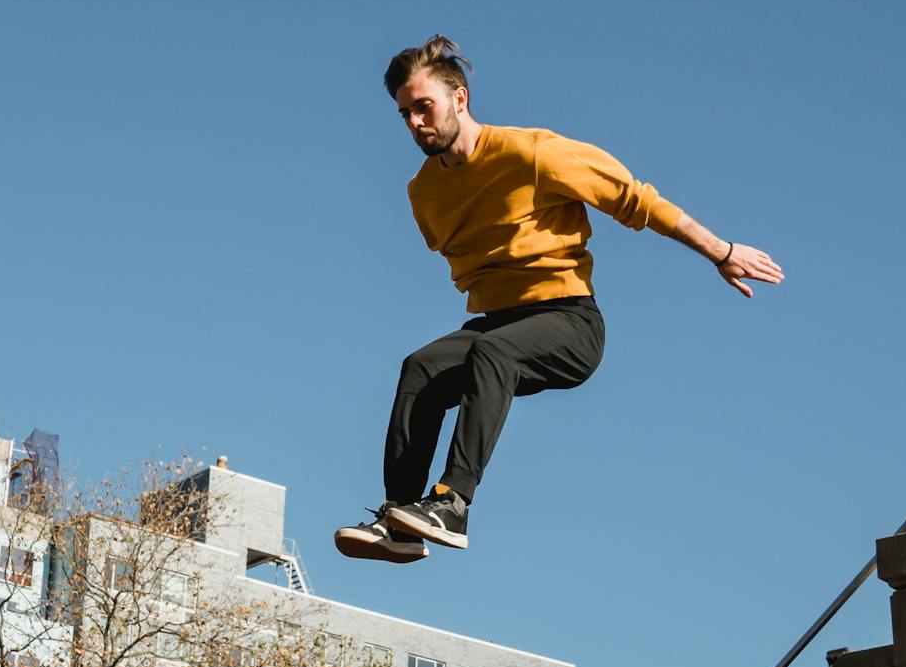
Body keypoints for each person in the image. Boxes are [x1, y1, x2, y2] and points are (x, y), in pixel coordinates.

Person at [335, 36, 783, 562]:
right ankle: (402, 522)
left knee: (491, 352)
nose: (415, 123)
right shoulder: (423, 193)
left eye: (424, 107)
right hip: (499, 322)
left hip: (569, 323)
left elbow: (636, 200)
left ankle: (452, 503)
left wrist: (721, 251)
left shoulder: (533, 153)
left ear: (459, 98)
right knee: (421, 369)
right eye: (405, 114)